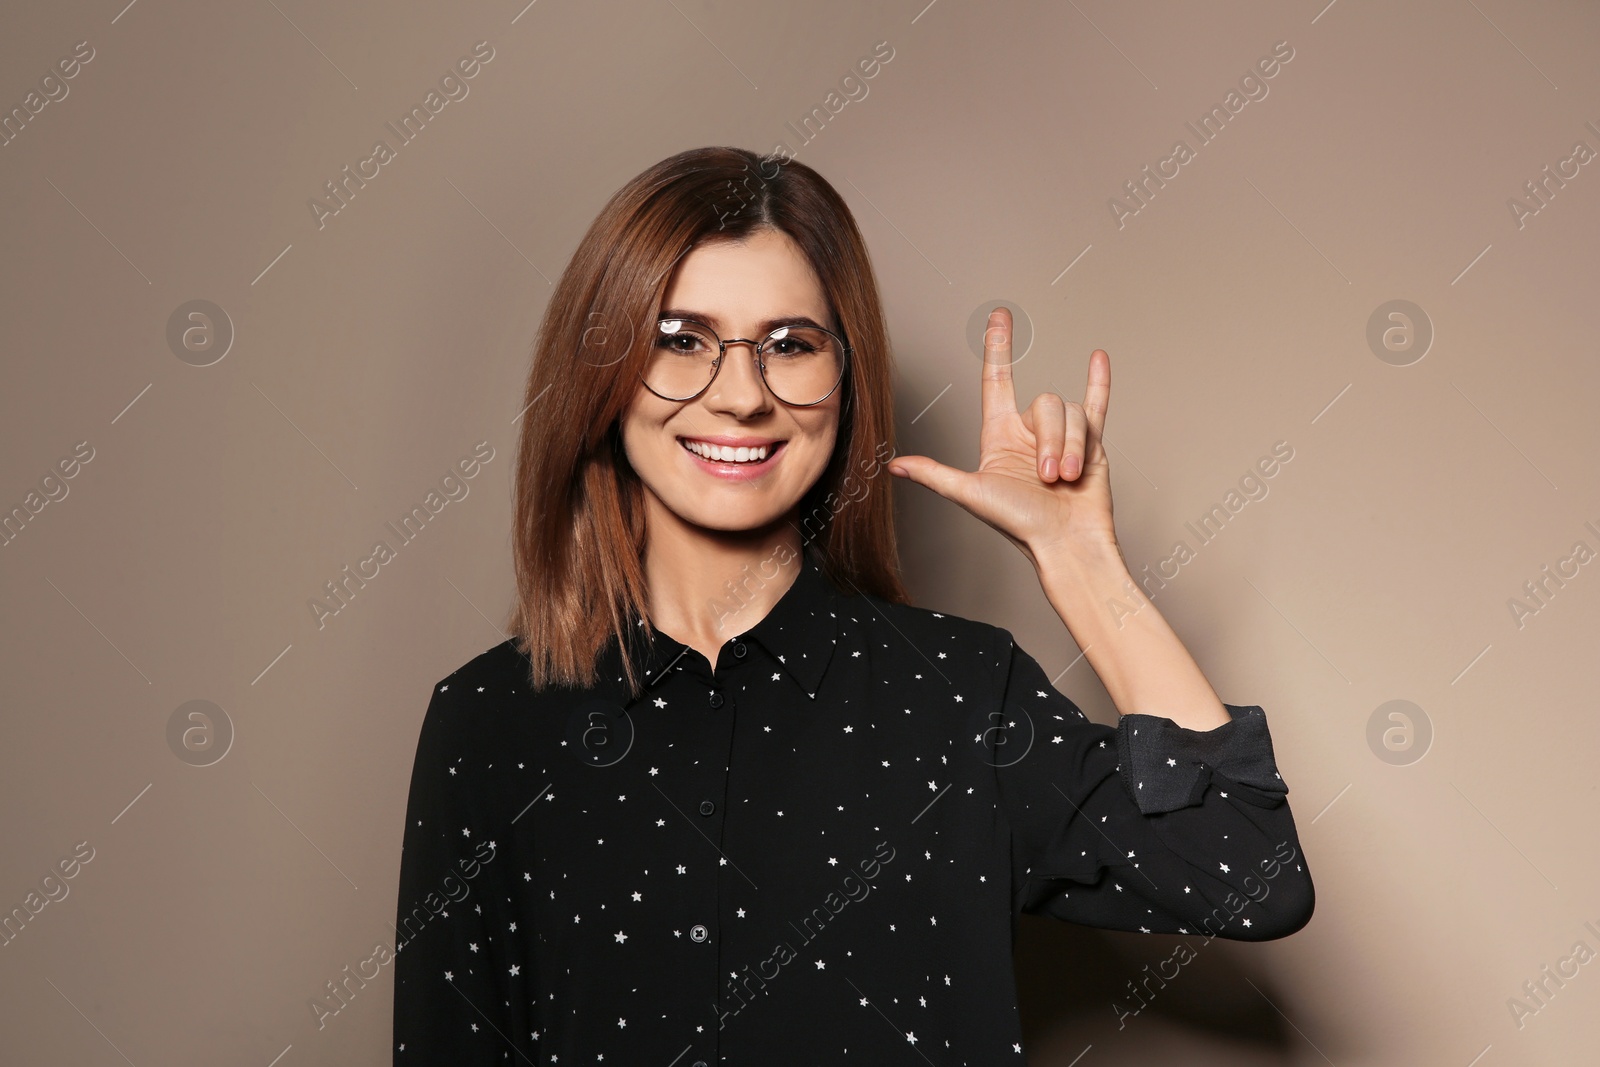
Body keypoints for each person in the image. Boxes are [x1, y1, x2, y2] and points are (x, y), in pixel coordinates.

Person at [391, 146, 1314, 1064]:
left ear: (846, 381)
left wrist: (1081, 561)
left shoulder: (960, 695)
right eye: (681, 340)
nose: (743, 395)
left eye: (791, 345)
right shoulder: (487, 724)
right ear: (603, 375)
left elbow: (1251, 868)